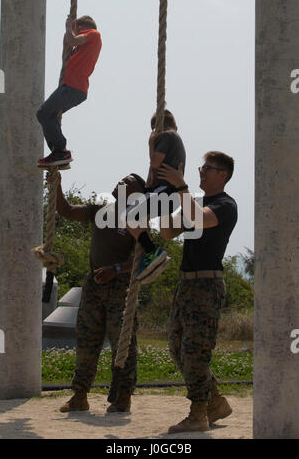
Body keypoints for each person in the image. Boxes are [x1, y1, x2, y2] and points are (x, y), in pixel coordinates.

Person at [50, 172, 146, 413]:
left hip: (120, 289)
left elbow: (143, 259)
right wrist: (57, 186)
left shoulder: (136, 220)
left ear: (136, 194)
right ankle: (79, 395)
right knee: (87, 340)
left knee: (122, 344)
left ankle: (123, 396)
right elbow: (68, 211)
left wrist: (116, 269)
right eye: (120, 180)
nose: (120, 183)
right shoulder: (100, 211)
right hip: (94, 285)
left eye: (127, 182)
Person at [157, 151, 238, 433]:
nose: (201, 171)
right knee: (178, 348)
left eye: (208, 168)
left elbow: (200, 219)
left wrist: (180, 187)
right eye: (201, 167)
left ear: (223, 174)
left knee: (195, 351)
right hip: (186, 284)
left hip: (206, 285)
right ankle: (215, 402)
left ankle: (198, 414)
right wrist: (163, 197)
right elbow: (167, 233)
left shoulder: (226, 205)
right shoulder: (196, 203)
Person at [125, 110, 186, 282]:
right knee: (134, 217)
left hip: (166, 192)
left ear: (156, 130)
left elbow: (155, 161)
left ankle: (153, 252)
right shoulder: (175, 140)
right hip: (166, 193)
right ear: (176, 125)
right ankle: (151, 255)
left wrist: (151, 143)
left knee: (129, 215)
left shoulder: (167, 136)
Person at [37, 15, 102, 168]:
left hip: (73, 87)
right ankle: (58, 154)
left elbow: (72, 40)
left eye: (77, 29)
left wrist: (68, 28)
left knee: (43, 113)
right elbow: (68, 44)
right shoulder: (81, 48)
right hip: (72, 88)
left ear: (81, 28)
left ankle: (60, 150)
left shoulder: (94, 34)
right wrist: (68, 32)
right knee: (48, 116)